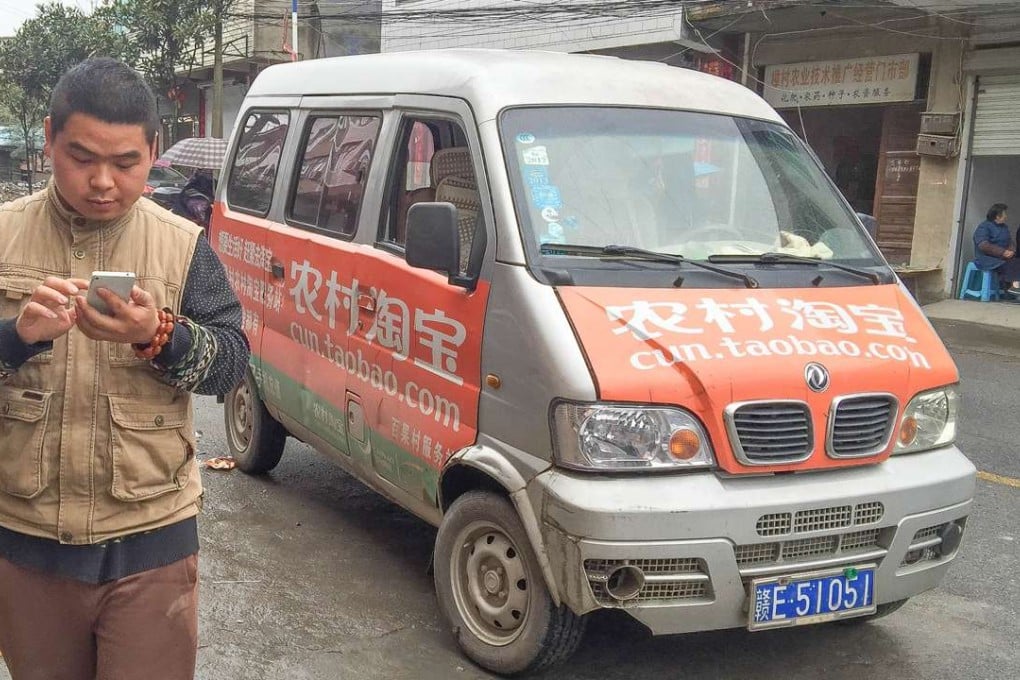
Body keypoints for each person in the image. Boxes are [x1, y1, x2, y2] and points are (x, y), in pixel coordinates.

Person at [0, 57, 248, 679]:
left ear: (153, 152)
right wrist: (17, 337)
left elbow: (231, 365)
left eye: (125, 162)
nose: (103, 181)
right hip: (25, 538)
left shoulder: (184, 245)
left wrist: (160, 336)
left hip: (151, 539)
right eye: (82, 158)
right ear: (51, 139)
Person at [973, 202, 1020, 294]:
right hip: (987, 259)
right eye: (1004, 214)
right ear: (997, 216)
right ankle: (1014, 286)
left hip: (1003, 257)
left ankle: (1013, 287)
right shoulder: (984, 227)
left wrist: (1011, 251)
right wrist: (1002, 252)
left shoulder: (1004, 227)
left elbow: (1009, 242)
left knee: (1017, 261)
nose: (1006, 216)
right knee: (1010, 265)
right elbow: (983, 245)